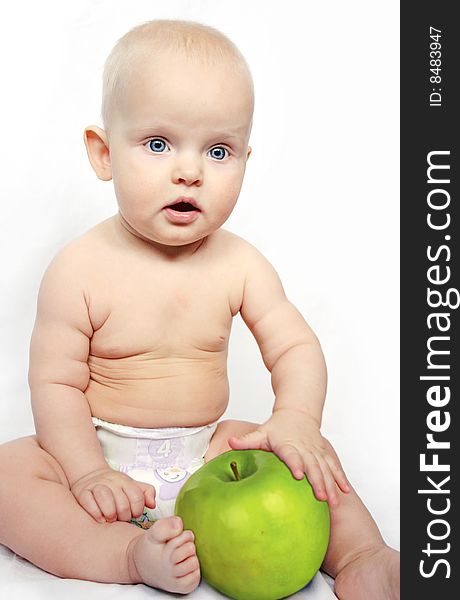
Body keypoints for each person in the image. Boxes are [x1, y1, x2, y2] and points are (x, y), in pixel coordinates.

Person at [0, 19, 399, 599]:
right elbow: (55, 382)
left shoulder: (239, 264)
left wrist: (295, 421)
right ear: (103, 152)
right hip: (104, 451)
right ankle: (127, 555)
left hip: (208, 450)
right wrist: (87, 472)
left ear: (245, 158)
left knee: (307, 455)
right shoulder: (79, 268)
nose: (189, 171)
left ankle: (364, 556)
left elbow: (294, 347)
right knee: (10, 473)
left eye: (218, 150)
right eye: (158, 144)